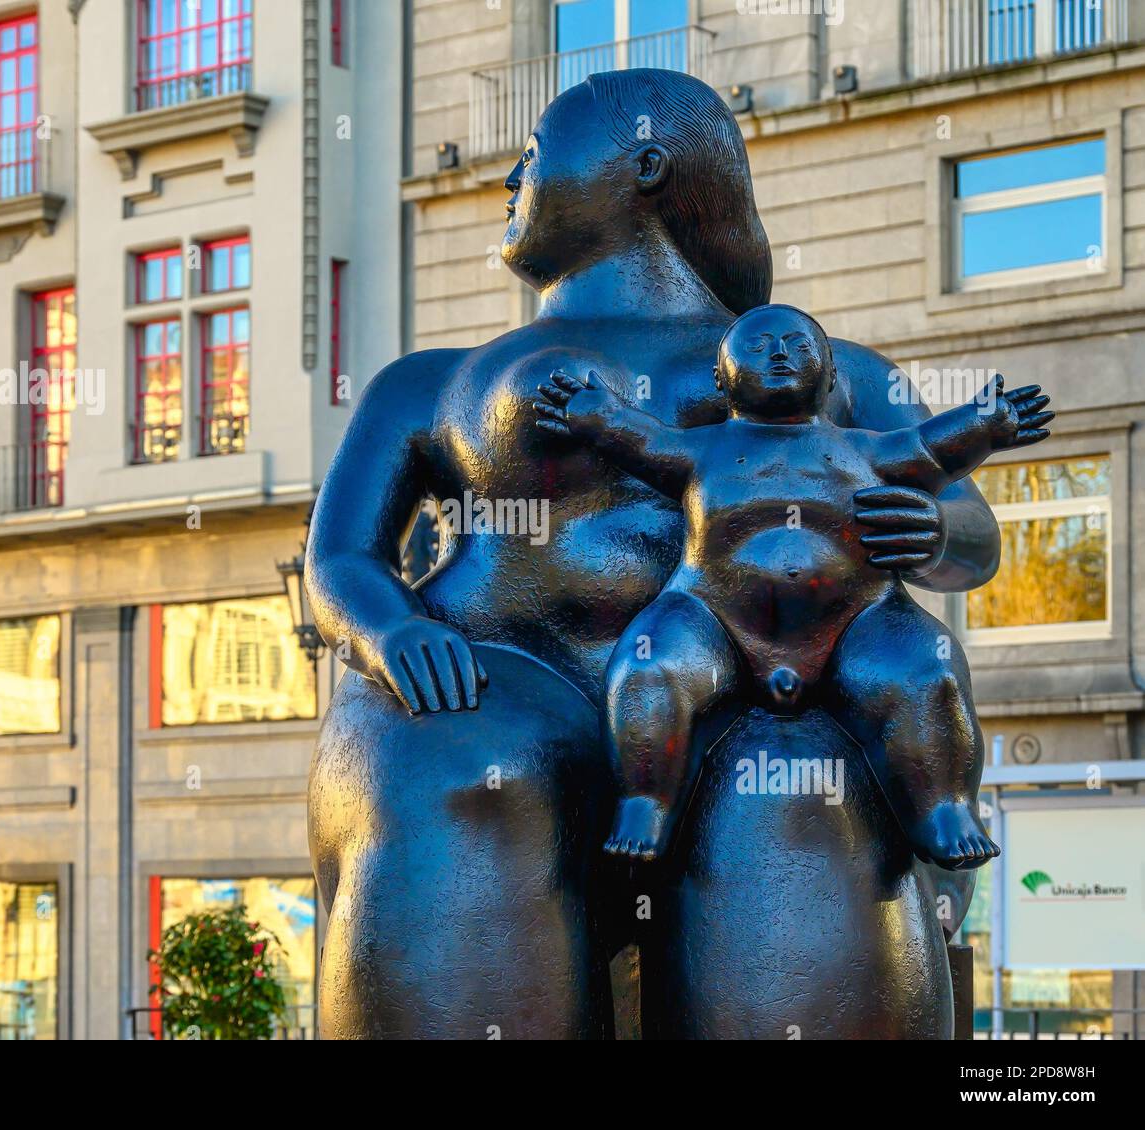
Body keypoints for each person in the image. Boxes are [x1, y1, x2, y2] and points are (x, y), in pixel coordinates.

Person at [305, 70, 1002, 1039]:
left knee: (792, 793)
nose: (510, 179)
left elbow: (965, 531)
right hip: (501, 665)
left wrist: (928, 532)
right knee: (461, 774)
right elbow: (339, 556)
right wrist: (388, 630)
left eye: (535, 152)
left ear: (644, 161)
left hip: (746, 680)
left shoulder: (822, 365)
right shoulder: (425, 383)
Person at [533, 304, 1051, 867]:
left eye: (798, 346)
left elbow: (930, 447)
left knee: (927, 670)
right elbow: (639, 438)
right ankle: (646, 801)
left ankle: (943, 805)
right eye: (758, 347)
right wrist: (593, 413)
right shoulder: (702, 449)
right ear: (720, 378)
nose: (779, 354)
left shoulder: (866, 449)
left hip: (857, 619)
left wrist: (985, 425)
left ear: (830, 377)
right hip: (714, 618)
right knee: (649, 666)